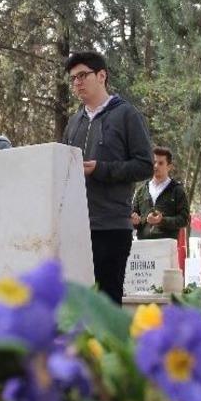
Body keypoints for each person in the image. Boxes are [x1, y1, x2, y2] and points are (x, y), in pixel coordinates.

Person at [60, 51, 152, 304]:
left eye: (82, 75)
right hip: (76, 228)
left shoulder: (126, 115)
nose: (77, 82)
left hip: (111, 226)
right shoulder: (74, 123)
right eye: (73, 78)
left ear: (102, 76)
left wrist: (101, 169)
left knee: (107, 304)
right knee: (76, 306)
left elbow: (145, 166)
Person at [131, 147, 191, 240]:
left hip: (166, 246)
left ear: (169, 167)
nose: (156, 166)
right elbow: (134, 217)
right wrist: (134, 221)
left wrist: (162, 220)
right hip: (143, 246)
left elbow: (184, 219)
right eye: (154, 162)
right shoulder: (141, 191)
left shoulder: (177, 190)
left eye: (160, 163)